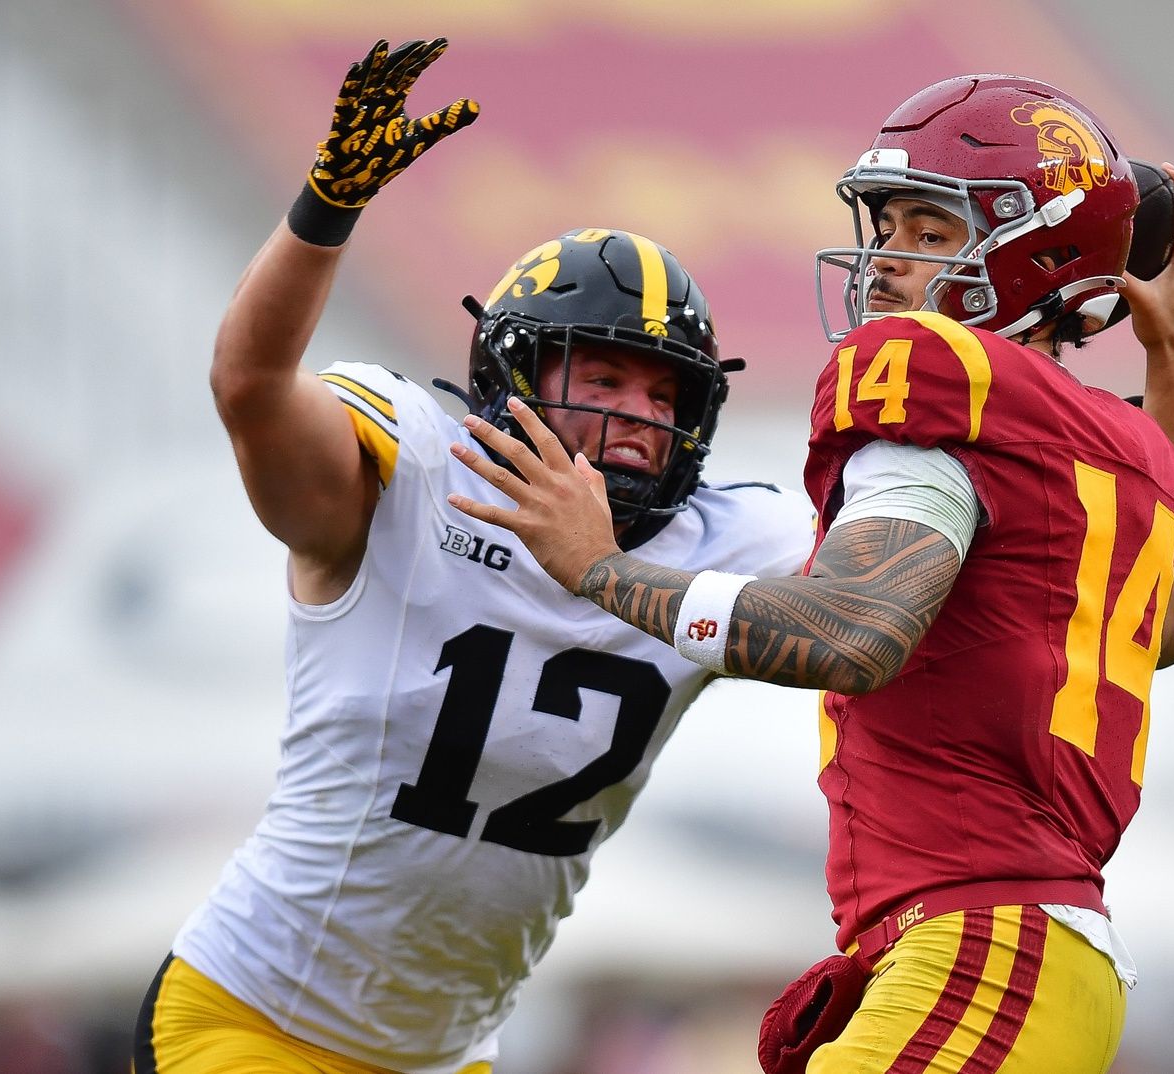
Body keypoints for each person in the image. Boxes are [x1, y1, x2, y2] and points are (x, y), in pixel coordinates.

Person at [448, 74, 1174, 1073]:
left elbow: (852, 633)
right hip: (1020, 948)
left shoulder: (941, 380)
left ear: (1040, 246)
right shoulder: (1113, 435)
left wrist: (595, 567)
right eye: (888, 222)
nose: (888, 258)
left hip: (982, 943)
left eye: (933, 229)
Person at [131, 39, 815, 1074]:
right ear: (515, 376)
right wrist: (326, 210)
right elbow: (250, 383)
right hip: (254, 1017)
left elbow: (889, 598)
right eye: (607, 379)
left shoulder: (725, 537)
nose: (637, 417)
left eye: (663, 394)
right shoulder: (410, 466)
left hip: (449, 1055)